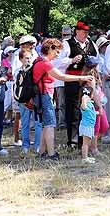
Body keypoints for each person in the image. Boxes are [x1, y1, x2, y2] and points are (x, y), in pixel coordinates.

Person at [31, 38, 92, 161]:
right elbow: (61, 76)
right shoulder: (45, 63)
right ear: (50, 49)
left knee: (46, 125)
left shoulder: (38, 61)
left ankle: (42, 153)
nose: (58, 55)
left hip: (42, 95)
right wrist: (81, 78)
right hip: (45, 96)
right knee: (50, 125)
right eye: (57, 52)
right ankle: (51, 154)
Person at [62, 21, 97, 149]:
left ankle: (84, 139)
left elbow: (98, 59)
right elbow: (59, 61)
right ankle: (73, 140)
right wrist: (71, 60)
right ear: (77, 31)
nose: (86, 34)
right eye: (83, 31)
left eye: (87, 32)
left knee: (86, 108)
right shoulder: (67, 44)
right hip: (72, 80)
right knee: (73, 110)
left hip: (87, 80)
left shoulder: (91, 43)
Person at [14, 36, 40, 155]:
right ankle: (25, 145)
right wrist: (22, 99)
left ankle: (38, 145)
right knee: (25, 124)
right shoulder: (18, 69)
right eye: (26, 58)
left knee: (37, 123)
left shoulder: (36, 59)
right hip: (23, 100)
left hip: (34, 99)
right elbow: (16, 84)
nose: (28, 60)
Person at [78, 87, 97, 164]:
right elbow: (84, 107)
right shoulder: (84, 104)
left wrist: (97, 113)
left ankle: (86, 157)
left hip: (90, 126)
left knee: (88, 143)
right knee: (85, 144)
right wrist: (84, 99)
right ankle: (84, 158)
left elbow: (91, 113)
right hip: (86, 126)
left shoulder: (90, 103)